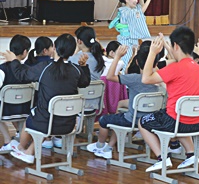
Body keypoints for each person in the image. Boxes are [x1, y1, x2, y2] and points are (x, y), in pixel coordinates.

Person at [0, 34, 91, 164]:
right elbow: (85, 82)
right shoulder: (75, 70)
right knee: (41, 115)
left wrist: (13, 61)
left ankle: (22, 148)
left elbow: (22, 75)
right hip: (69, 124)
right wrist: (83, 66)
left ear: (54, 47)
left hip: (46, 123)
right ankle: (28, 152)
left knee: (32, 117)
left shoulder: (45, 68)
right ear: (72, 52)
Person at [138, 26, 199, 172]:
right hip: (196, 123)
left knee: (142, 122)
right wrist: (169, 47)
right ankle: (192, 155)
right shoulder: (197, 68)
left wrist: (152, 52)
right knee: (181, 117)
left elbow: (146, 78)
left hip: (175, 122)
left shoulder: (175, 68)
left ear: (176, 46)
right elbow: (177, 60)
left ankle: (162, 158)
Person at [86, 41, 160, 159]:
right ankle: (109, 148)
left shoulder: (133, 78)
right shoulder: (159, 78)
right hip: (151, 119)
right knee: (119, 116)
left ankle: (100, 145)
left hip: (133, 119)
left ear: (137, 62)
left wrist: (117, 57)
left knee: (104, 120)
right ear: (156, 62)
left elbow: (110, 76)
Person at [108, 0, 154, 70]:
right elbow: (140, 12)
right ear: (126, 0)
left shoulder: (133, 9)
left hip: (133, 40)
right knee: (126, 62)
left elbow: (141, 7)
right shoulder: (125, 11)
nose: (136, 1)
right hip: (126, 41)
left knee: (133, 61)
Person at [0, 35, 31, 151]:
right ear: (25, 52)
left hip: (5, 112)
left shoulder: (2, 69)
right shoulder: (27, 70)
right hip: (24, 111)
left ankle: (8, 140)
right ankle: (20, 134)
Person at [100, 41, 127, 116]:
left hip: (102, 85)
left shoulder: (101, 60)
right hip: (113, 86)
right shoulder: (120, 63)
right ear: (112, 53)